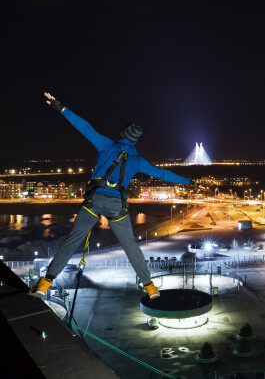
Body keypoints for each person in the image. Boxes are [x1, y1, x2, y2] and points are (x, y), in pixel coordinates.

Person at [29, 92, 195, 300]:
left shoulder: (107, 145)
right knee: (131, 246)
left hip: (94, 200)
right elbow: (163, 173)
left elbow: (85, 127)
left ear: (122, 135)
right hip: (117, 206)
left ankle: (44, 284)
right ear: (135, 141)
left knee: (72, 241)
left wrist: (60, 107)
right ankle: (150, 288)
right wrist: (189, 182)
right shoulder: (138, 161)